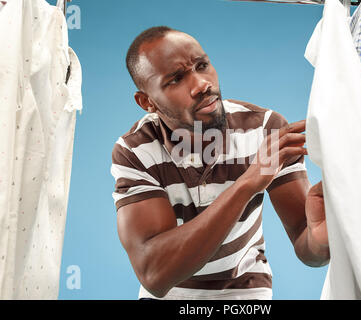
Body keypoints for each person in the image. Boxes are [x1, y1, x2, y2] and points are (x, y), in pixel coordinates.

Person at [111, 26, 329, 300]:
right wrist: (247, 184)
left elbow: (306, 245)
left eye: (202, 65)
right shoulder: (135, 150)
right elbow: (155, 274)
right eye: (176, 79)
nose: (202, 84)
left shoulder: (265, 129)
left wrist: (320, 241)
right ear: (147, 102)